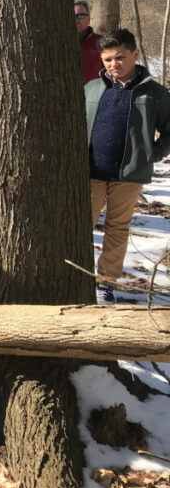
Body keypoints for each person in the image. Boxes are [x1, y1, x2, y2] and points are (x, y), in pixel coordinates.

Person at [86, 29, 170, 304]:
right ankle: (79, 276)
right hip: (91, 171)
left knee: (117, 228)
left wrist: (150, 155)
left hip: (129, 175)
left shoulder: (155, 93)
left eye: (120, 57)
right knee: (80, 226)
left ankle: (105, 283)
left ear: (135, 54)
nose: (113, 64)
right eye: (107, 59)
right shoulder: (92, 88)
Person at [76, 0, 103, 84]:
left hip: (94, 95)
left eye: (80, 16)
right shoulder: (57, 46)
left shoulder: (101, 43)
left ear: (89, 19)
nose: (76, 20)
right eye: (71, 16)